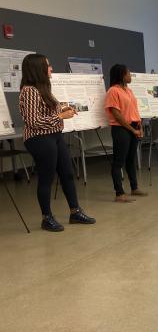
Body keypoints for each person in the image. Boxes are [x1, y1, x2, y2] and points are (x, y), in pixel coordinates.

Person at [19, 54, 95, 232]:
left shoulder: (43, 88)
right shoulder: (29, 90)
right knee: (47, 178)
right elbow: (34, 121)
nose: (51, 68)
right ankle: (47, 218)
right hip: (38, 138)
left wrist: (63, 108)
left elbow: (49, 107)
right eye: (48, 65)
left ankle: (75, 212)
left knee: (67, 173)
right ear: (38, 69)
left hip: (54, 135)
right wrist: (60, 116)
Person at [104, 64, 148, 201]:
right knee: (119, 161)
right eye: (128, 73)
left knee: (131, 159)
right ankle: (119, 193)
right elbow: (117, 115)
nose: (130, 75)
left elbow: (134, 110)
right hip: (121, 128)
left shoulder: (128, 90)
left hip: (133, 126)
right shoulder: (113, 91)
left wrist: (139, 126)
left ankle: (134, 188)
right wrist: (132, 129)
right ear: (122, 75)